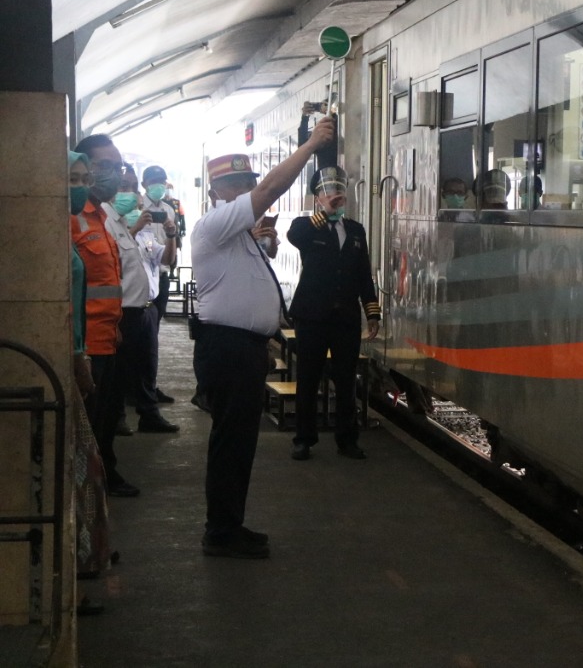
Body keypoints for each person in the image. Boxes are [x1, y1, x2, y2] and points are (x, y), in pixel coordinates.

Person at [191, 116, 334, 559]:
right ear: (217, 193)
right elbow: (271, 190)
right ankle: (221, 531)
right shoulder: (213, 225)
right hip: (227, 347)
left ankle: (228, 524)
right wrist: (311, 145)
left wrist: (265, 245)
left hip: (240, 349)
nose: (244, 191)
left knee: (238, 442)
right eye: (235, 184)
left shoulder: (236, 234)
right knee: (232, 442)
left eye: (246, 182)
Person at [286, 166, 381, 461]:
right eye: (329, 191)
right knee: (309, 377)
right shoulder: (307, 226)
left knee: (345, 379)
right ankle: (303, 439)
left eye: (339, 190)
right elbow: (294, 237)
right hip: (312, 316)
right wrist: (324, 214)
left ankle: (347, 440)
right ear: (318, 197)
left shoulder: (355, 230)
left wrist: (372, 312)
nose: (336, 196)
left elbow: (364, 274)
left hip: (345, 319)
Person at [70, 134, 136, 497]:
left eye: (118, 165)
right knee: (90, 424)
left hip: (107, 336)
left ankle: (104, 478)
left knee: (106, 419)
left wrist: (117, 327)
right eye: (104, 166)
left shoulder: (100, 217)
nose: (113, 174)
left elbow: (108, 281)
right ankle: (90, 494)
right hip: (86, 343)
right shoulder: (71, 217)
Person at [68, 151, 112, 614]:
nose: (80, 185)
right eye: (72, 178)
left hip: (85, 351)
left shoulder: (89, 219)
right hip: (72, 359)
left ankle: (81, 564)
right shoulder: (56, 229)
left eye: (84, 178)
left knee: (84, 467)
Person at [108, 167, 179, 434]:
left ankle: (149, 414)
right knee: (121, 368)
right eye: (136, 207)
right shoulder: (112, 231)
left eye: (140, 206)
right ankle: (117, 418)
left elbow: (166, 260)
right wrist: (135, 228)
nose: (138, 209)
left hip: (147, 309)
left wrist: (171, 236)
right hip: (124, 311)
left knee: (148, 365)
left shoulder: (148, 237)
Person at [139, 165, 180, 320]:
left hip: (162, 275)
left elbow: (171, 238)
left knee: (156, 321)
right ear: (144, 184)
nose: (159, 185)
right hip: (143, 276)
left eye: (162, 181)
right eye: (154, 181)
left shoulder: (168, 209)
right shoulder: (138, 207)